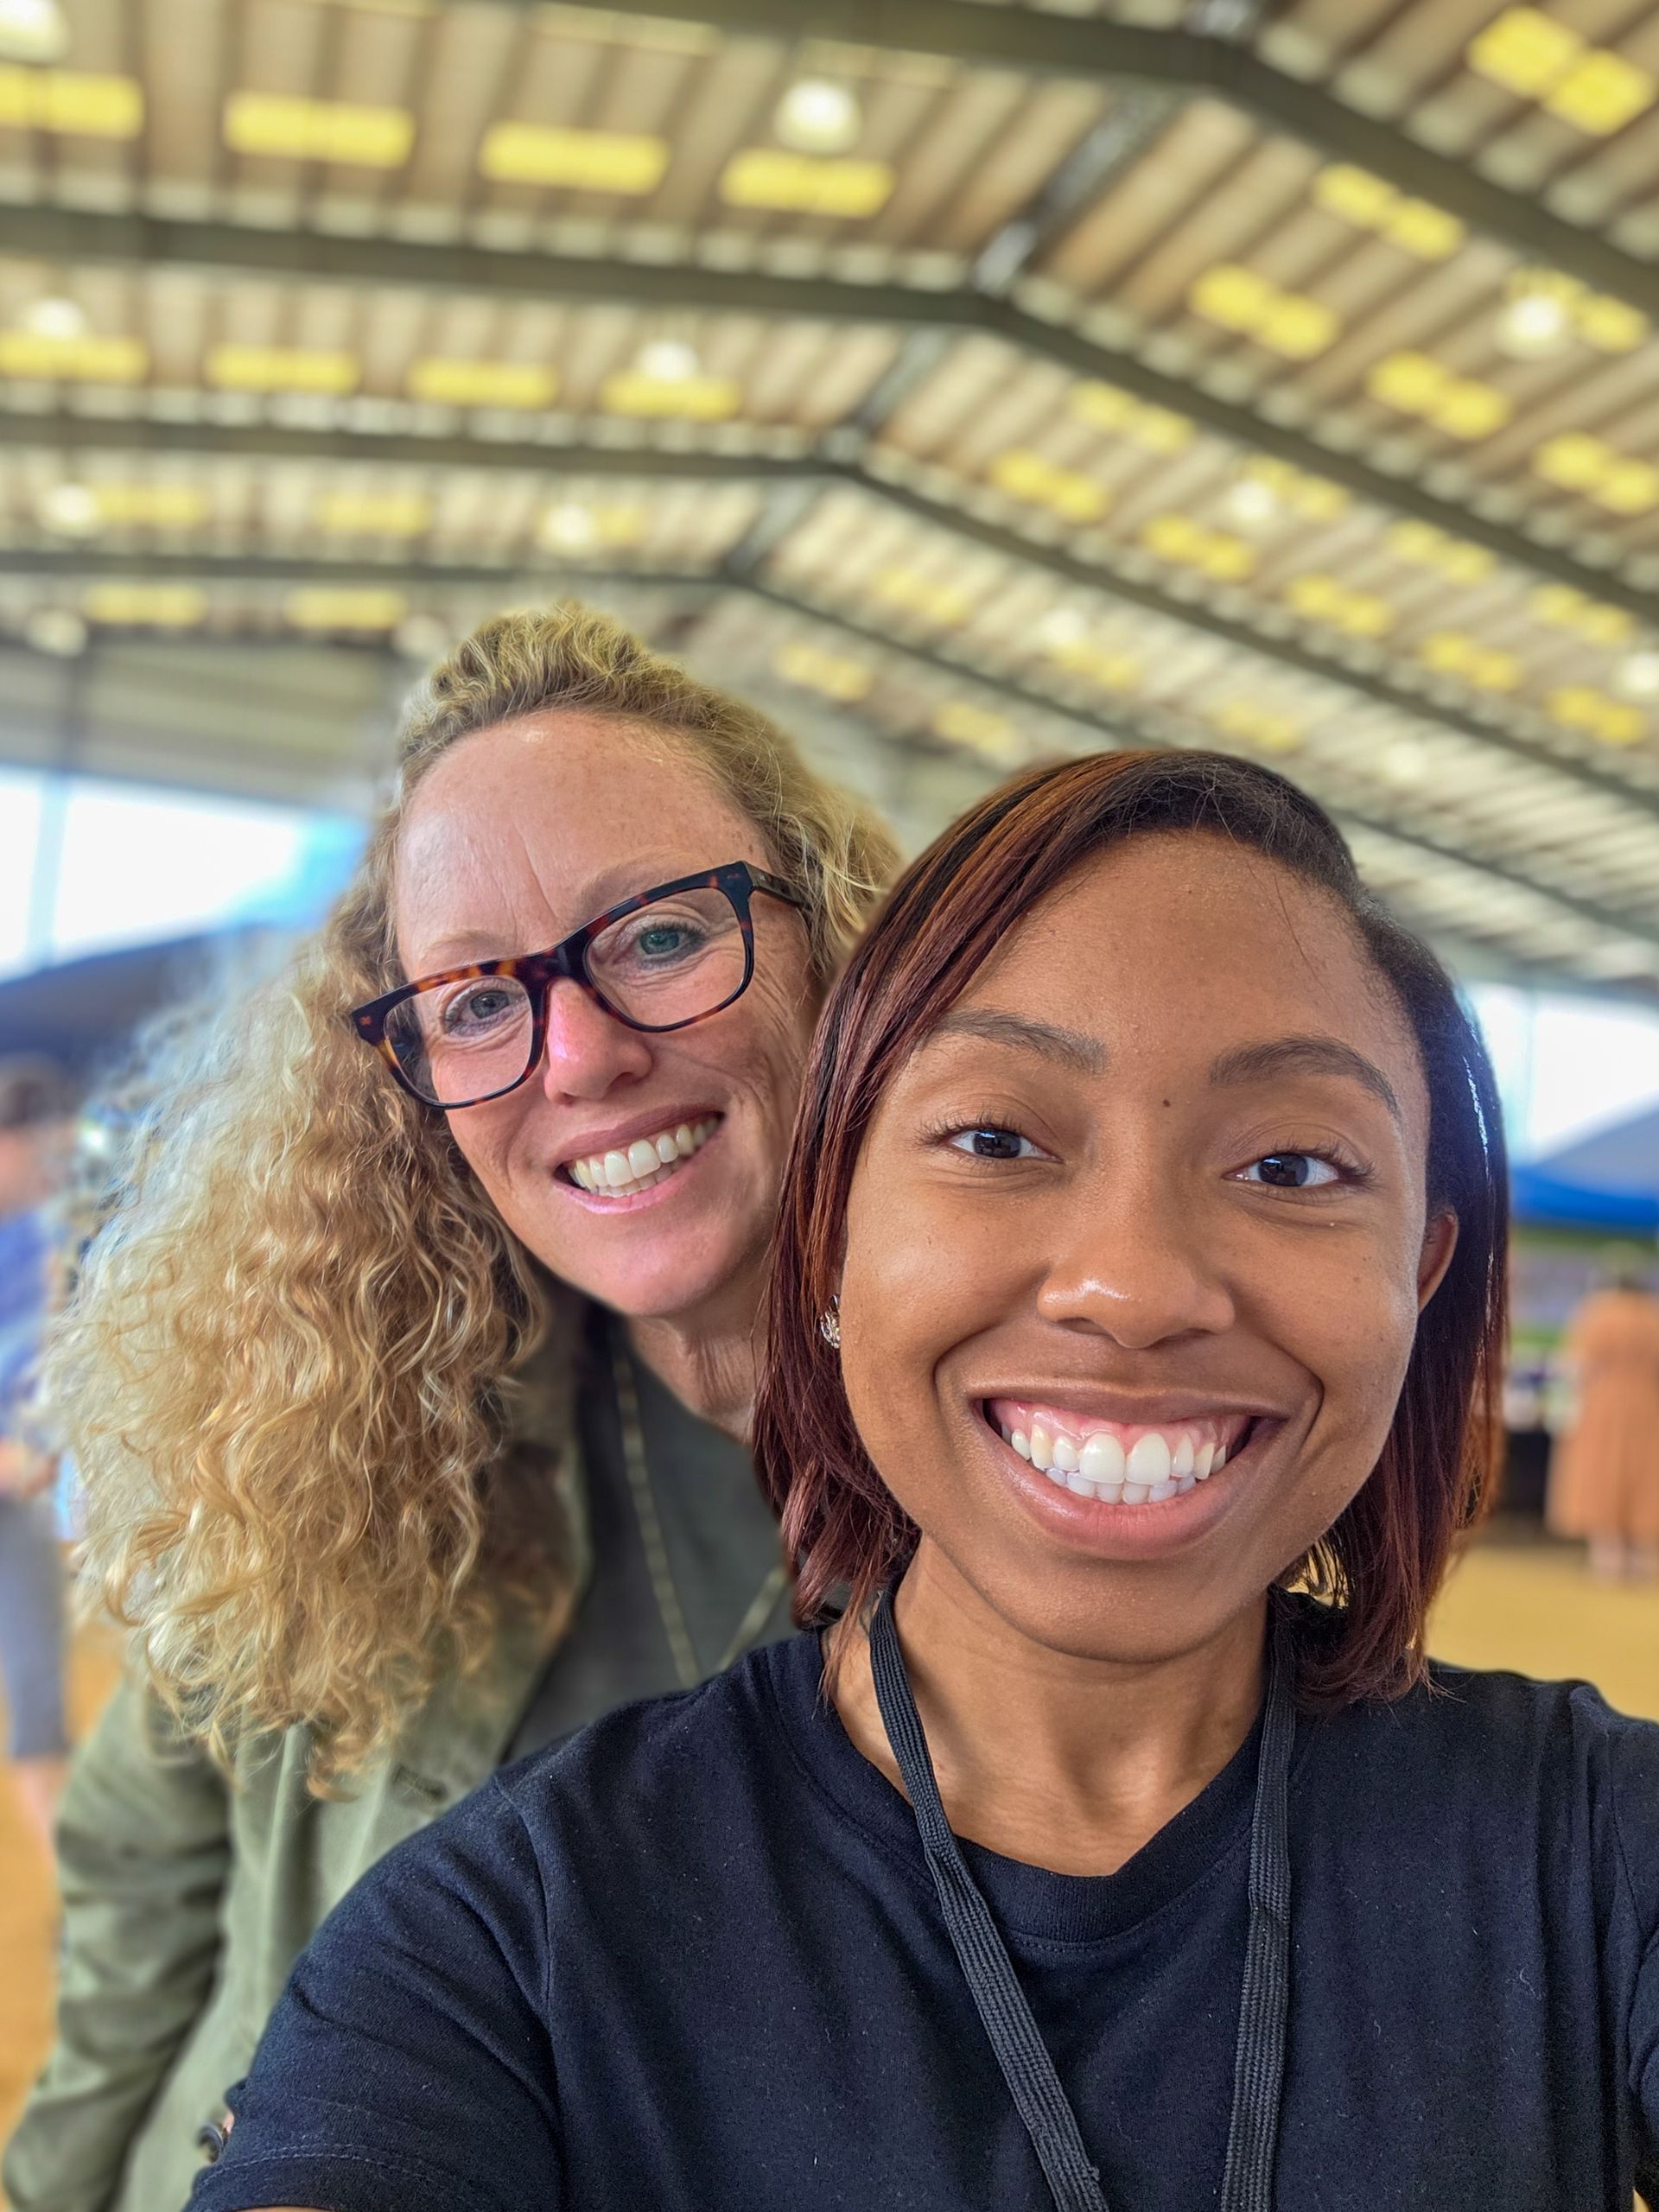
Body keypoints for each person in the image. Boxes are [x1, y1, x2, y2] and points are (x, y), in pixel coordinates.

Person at [188, 747, 1659, 2212]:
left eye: (1291, 1168)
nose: (1133, 1289)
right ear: (827, 1247)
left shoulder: (1596, 1855)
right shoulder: (510, 1939)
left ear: (1420, 1275)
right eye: (996, 1137)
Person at [3, 605, 898, 2212]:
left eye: (663, 934)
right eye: (478, 998)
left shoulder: (1029, 1485)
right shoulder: (331, 1437)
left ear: (838, 948)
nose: (580, 1055)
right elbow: (146, 1859)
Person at [0, 1058, 75, 1859]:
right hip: (14, 1492)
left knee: (39, 1702)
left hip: (31, 1497)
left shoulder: (47, 1238)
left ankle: (87, 1900)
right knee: (37, 1702)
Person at [1548, 1251, 1659, 1580]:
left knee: (1602, 1472)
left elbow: (1574, 1365)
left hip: (1602, 1404)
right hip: (1648, 1405)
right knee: (1647, 1475)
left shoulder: (1596, 1314)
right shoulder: (1653, 1317)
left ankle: (1608, 1559)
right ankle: (1645, 1557)